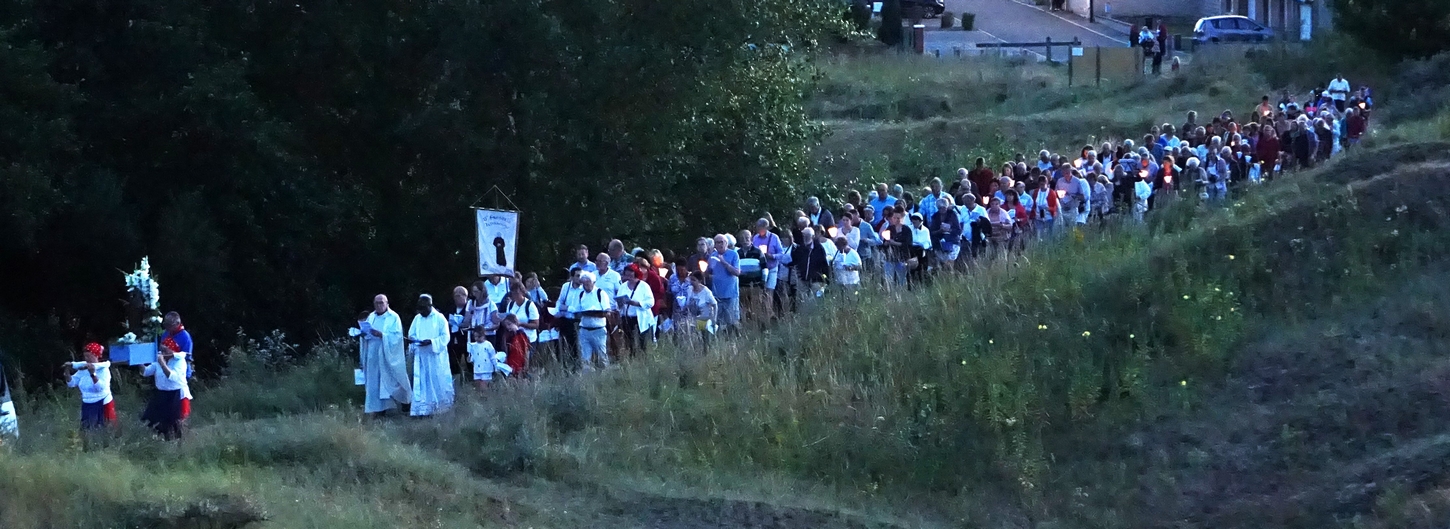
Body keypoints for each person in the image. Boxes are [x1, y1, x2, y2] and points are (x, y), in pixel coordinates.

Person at [360, 294, 411, 416]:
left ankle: (406, 401)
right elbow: (367, 332)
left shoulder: (393, 317)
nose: (378, 305)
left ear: (387, 303)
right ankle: (379, 410)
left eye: (381, 303)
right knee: (375, 382)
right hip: (373, 354)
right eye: (376, 303)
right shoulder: (371, 317)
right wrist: (363, 334)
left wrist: (382, 335)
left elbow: (397, 336)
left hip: (388, 354)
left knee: (394, 380)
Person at [407, 294, 453, 417]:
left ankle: (440, 408)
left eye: (423, 308)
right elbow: (411, 333)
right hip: (421, 355)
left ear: (429, 306)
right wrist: (414, 341)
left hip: (435, 356)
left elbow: (445, 336)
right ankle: (422, 410)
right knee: (422, 382)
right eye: (419, 309)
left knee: (436, 380)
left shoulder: (439, 318)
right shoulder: (417, 318)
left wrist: (431, 342)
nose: (421, 311)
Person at [140, 336, 191, 439]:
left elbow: (172, 376)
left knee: (174, 422)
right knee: (151, 419)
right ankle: (158, 439)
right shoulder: (159, 359)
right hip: (161, 393)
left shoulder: (179, 362)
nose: (162, 352)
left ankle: (177, 442)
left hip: (175, 394)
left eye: (165, 350)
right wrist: (138, 361)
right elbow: (145, 372)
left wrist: (162, 363)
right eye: (161, 350)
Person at [65, 342, 116, 430]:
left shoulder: (104, 370)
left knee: (104, 428)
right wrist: (67, 372)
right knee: (86, 428)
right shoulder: (83, 369)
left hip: (102, 402)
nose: (86, 358)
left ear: (96, 356)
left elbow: (100, 388)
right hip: (87, 402)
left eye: (89, 356)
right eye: (85, 356)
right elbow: (72, 383)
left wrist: (93, 374)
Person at [574, 271, 614, 371]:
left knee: (602, 355)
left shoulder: (600, 293)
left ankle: (605, 376)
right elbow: (577, 309)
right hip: (584, 329)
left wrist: (595, 313)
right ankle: (587, 380)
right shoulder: (581, 295)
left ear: (593, 282)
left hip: (598, 329)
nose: (586, 285)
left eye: (588, 283)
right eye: (584, 283)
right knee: (585, 357)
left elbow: (607, 311)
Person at [498, 282, 540, 374]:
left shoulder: (530, 305)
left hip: (528, 340)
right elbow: (508, 319)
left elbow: (536, 325)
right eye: (513, 293)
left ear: (522, 292)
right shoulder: (511, 305)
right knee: (515, 364)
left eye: (517, 292)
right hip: (514, 340)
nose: (515, 295)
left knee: (526, 364)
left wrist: (520, 324)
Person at [159, 312, 194, 420]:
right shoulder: (165, 334)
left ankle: (182, 422)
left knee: (180, 401)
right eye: (166, 325)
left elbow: (187, 356)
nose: (168, 328)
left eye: (170, 325)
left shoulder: (185, 337)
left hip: (180, 371)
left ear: (177, 324)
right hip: (164, 368)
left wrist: (171, 352)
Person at [617, 266, 657, 357]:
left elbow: (651, 302)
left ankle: (643, 357)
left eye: (631, 273)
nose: (629, 276)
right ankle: (632, 357)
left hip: (641, 317)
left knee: (642, 341)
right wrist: (620, 303)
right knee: (629, 340)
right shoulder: (623, 287)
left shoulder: (644, 286)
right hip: (627, 317)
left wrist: (637, 303)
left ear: (635, 273)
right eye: (626, 274)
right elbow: (618, 302)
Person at [707, 234, 742, 331]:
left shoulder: (734, 254)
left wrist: (723, 262)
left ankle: (734, 341)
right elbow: (708, 272)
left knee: (732, 321)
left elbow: (737, 272)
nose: (719, 244)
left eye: (721, 242)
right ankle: (720, 342)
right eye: (717, 242)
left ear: (726, 243)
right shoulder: (712, 256)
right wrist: (706, 271)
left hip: (730, 294)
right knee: (717, 322)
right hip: (716, 294)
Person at [684, 271, 718, 353]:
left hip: (703, 317)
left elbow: (715, 304)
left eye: (694, 280)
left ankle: (706, 353)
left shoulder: (706, 292)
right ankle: (695, 352)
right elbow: (687, 303)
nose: (692, 282)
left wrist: (714, 319)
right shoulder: (689, 290)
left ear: (699, 281)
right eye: (691, 279)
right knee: (693, 337)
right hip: (692, 317)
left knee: (704, 338)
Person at [792, 227, 830, 298]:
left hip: (816, 280)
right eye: (804, 235)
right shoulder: (800, 248)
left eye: (807, 235)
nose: (805, 237)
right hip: (803, 279)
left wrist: (826, 280)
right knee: (802, 301)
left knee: (814, 301)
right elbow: (795, 261)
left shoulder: (819, 248)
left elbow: (824, 264)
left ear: (812, 237)